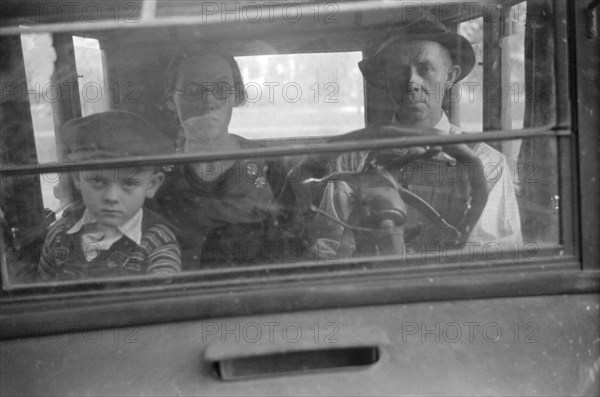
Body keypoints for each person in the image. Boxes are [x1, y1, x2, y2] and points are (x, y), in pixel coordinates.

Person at [311, 20, 522, 258]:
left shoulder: (486, 163)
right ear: (387, 80)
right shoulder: (353, 159)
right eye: (399, 71)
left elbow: (494, 259)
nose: (411, 82)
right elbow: (328, 245)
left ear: (450, 76)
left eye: (425, 69)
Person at [155, 46, 305, 267]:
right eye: (193, 90)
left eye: (221, 88)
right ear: (170, 100)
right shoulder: (155, 170)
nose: (208, 101)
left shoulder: (266, 163)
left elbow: (295, 244)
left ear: (237, 95)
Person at [38, 111, 182, 281]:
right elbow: (42, 296)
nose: (111, 197)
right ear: (77, 178)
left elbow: (163, 303)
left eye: (128, 184)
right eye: (98, 181)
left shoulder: (157, 242)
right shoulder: (59, 234)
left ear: (151, 185)